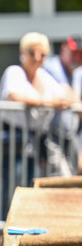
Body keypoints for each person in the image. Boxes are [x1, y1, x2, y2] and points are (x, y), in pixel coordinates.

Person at [0, 32, 76, 217]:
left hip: (32, 145)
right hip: (10, 142)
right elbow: (14, 95)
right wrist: (49, 102)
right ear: (23, 53)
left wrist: (68, 98)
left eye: (43, 54)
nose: (37, 58)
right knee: (9, 193)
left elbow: (65, 94)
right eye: (33, 53)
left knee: (28, 192)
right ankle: (1, 237)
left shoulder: (44, 77)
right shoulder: (14, 72)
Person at [41, 34, 82, 173]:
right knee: (61, 180)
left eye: (80, 54)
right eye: (74, 52)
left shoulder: (77, 73)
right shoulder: (51, 67)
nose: (77, 57)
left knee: (73, 180)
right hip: (51, 136)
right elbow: (64, 95)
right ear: (64, 49)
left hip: (71, 138)